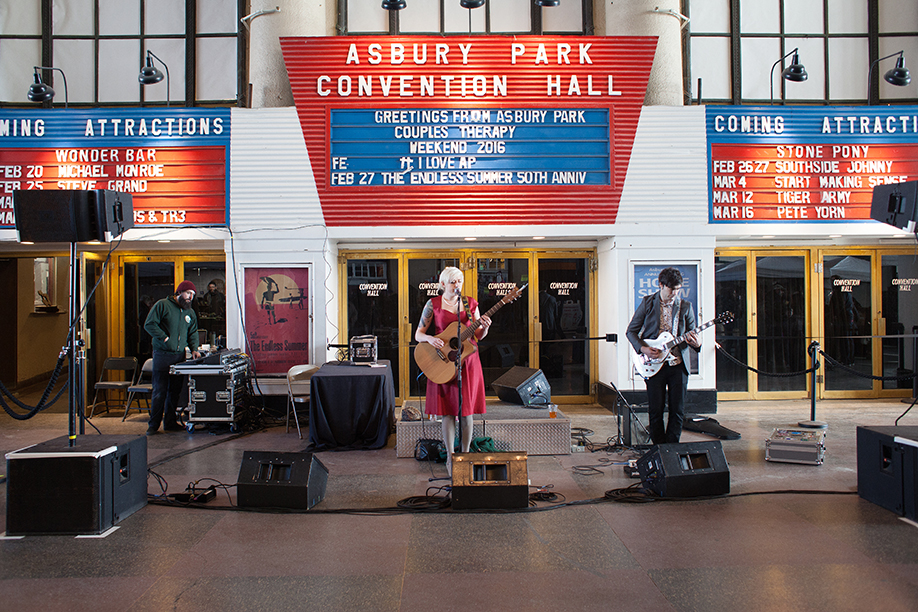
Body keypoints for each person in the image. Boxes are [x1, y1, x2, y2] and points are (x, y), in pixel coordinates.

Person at [415, 267, 492, 474]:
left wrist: (484, 327)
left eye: (459, 281)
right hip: (444, 363)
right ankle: (450, 457)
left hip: (467, 362)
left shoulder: (470, 303)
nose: (457, 285)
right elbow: (418, 334)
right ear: (443, 284)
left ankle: (464, 457)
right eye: (452, 282)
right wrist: (431, 339)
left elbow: (477, 335)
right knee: (448, 412)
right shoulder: (433, 305)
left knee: (466, 413)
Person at [626, 267, 701, 445]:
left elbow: (693, 336)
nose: (674, 293)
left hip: (678, 364)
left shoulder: (686, 307)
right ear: (660, 285)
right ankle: (658, 448)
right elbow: (631, 332)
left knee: (677, 410)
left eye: (677, 289)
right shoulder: (648, 303)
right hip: (653, 364)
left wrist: (697, 344)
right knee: (655, 409)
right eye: (671, 289)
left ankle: (672, 449)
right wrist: (643, 349)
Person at [144, 280, 202, 434]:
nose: (190, 297)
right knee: (159, 391)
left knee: (174, 391)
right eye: (188, 293)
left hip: (179, 356)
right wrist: (164, 338)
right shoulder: (162, 305)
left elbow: (193, 332)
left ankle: (170, 422)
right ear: (179, 292)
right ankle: (153, 425)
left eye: (193, 295)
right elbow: (149, 324)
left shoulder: (189, 312)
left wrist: (194, 348)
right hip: (162, 354)